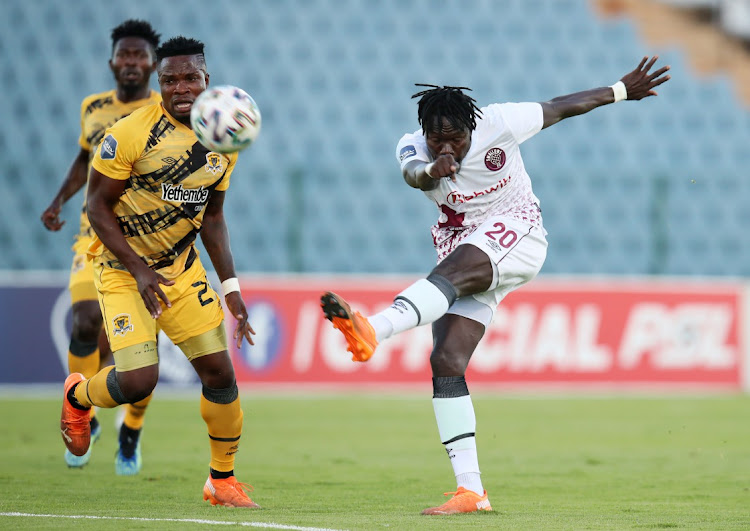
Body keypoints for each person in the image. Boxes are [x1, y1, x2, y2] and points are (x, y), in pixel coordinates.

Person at [321, 56, 671, 515]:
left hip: (517, 231)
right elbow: (411, 176)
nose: (447, 146)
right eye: (437, 137)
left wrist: (620, 90)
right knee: (446, 360)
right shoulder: (412, 148)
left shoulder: (499, 122)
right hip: (464, 248)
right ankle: (472, 492)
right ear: (423, 132)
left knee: (445, 279)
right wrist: (432, 169)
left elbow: (561, 107)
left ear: (473, 126)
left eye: (456, 137)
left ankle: (376, 329)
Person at [58, 35, 260, 508]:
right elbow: (97, 207)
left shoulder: (224, 135)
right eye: (170, 79)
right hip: (123, 268)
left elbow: (212, 217)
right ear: (159, 82)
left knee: (220, 375)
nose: (181, 87)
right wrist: (139, 270)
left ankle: (222, 481)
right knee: (137, 384)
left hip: (181, 269)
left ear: (207, 79)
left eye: (191, 77)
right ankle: (78, 396)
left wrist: (230, 288)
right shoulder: (129, 133)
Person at [41, 19, 162, 474]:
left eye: (139, 55)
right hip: (94, 235)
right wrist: (57, 201)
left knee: (140, 349)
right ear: (112, 61)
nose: (131, 62)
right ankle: (83, 410)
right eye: (123, 55)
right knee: (86, 319)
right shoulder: (92, 107)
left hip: (151, 239)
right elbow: (84, 157)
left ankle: (131, 430)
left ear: (152, 64)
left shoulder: (165, 108)